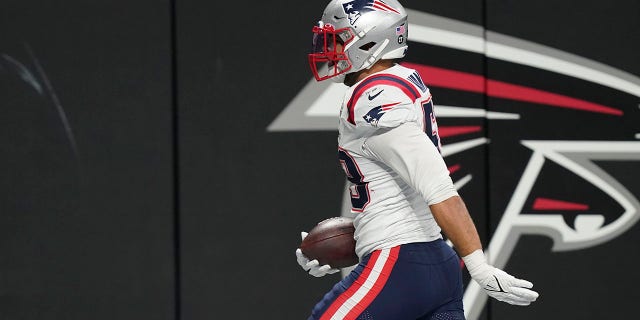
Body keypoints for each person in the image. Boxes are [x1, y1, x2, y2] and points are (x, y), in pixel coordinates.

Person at [295, 0, 539, 319]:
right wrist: (347, 242)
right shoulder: (401, 80)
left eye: (338, 38)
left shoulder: (372, 97)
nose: (329, 48)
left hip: (401, 265)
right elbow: (400, 191)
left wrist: (478, 266)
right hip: (434, 264)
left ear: (369, 41)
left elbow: (437, 187)